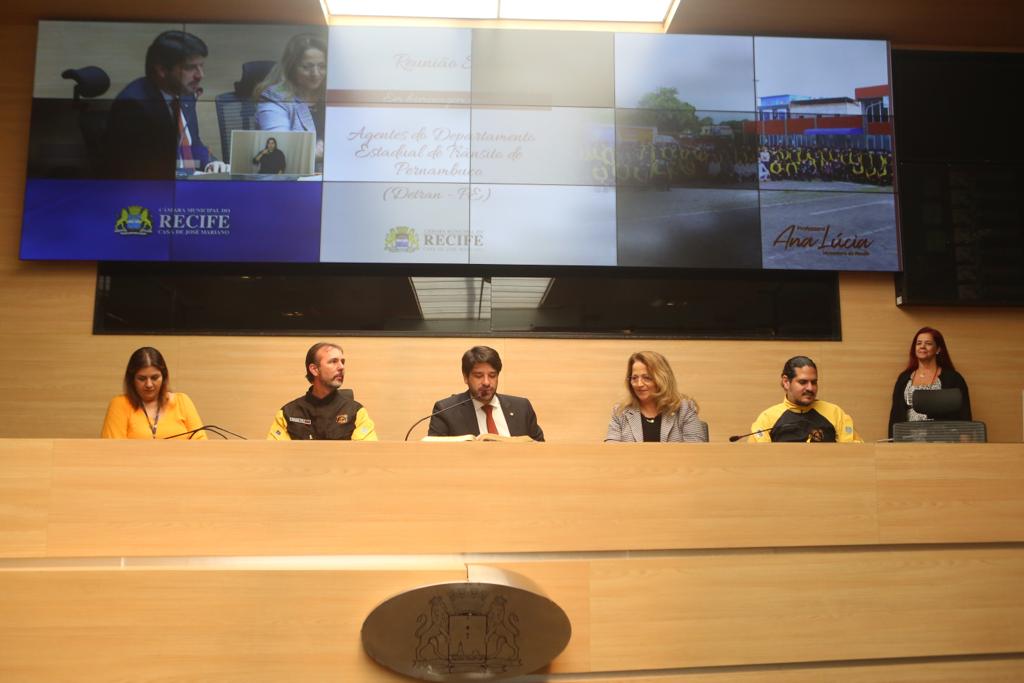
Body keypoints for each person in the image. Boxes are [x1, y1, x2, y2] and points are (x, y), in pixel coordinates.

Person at [104, 30, 227, 179]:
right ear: (162, 70)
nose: (200, 75)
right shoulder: (134, 106)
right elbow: (140, 171)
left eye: (201, 66)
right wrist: (189, 176)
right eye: (190, 67)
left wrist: (210, 163)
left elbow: (192, 142)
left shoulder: (185, 95)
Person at [427, 346, 544, 441]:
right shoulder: (446, 411)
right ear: (466, 377)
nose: (486, 382)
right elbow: (435, 454)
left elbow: (541, 449)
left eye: (492, 375)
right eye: (479, 376)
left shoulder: (522, 408)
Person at [267, 342, 377, 440]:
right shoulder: (287, 414)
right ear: (314, 369)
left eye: (342, 362)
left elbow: (367, 452)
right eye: (333, 361)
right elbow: (274, 452)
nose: (341, 367)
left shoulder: (356, 412)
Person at [749, 356, 861, 443]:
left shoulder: (835, 413)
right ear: (786, 382)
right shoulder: (767, 419)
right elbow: (758, 458)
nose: (810, 388)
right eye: (803, 382)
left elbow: (854, 452)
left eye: (814, 382)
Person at [101, 347, 206, 439]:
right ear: (131, 380)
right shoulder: (119, 404)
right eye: (142, 379)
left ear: (164, 377)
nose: (149, 384)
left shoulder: (182, 401)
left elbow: (201, 444)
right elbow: (111, 449)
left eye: (155, 378)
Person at [888, 326, 972, 438]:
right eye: (918, 343)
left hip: (942, 440)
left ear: (938, 349)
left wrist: (965, 444)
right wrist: (892, 444)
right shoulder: (904, 378)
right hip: (908, 441)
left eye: (928, 343)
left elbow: (964, 415)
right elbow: (895, 415)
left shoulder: (953, 378)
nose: (922, 346)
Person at [605, 351, 706, 442]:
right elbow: (611, 452)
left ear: (663, 379)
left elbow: (695, 452)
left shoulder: (684, 409)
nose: (639, 384)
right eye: (634, 378)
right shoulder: (620, 411)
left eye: (647, 378)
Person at [255, 33, 326, 162]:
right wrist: (313, 152)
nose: (316, 74)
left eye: (322, 66)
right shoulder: (274, 97)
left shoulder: (332, 95)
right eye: (307, 67)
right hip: (295, 172)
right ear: (291, 68)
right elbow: (278, 148)